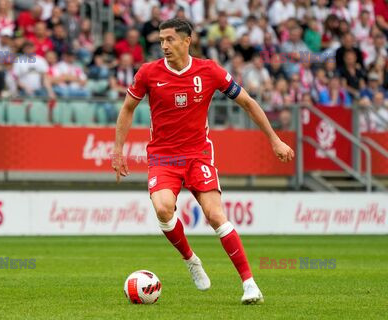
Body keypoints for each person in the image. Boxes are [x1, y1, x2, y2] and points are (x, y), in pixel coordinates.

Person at [112, 19, 294, 305]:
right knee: (162, 208)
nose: (164, 46)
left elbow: (247, 101)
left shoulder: (209, 70)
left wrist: (274, 138)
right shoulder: (148, 72)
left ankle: (249, 284)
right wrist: (118, 150)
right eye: (161, 40)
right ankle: (191, 260)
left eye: (170, 39)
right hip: (163, 156)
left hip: (198, 155)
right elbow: (127, 108)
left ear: (187, 41)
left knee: (215, 216)